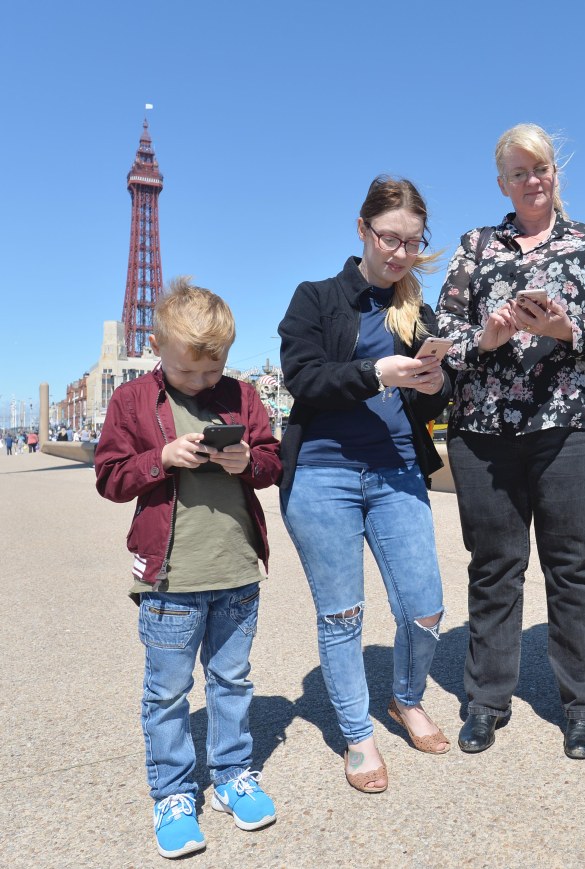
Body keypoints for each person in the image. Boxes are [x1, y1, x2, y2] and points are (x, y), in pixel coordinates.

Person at [436, 123, 585, 761]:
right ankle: (487, 701)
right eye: (519, 172)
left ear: (556, 173)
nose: (533, 180)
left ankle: (581, 705)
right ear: (502, 183)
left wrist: (565, 326)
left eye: (541, 168)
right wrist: (485, 340)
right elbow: (440, 334)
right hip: (485, 432)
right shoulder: (474, 247)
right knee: (494, 567)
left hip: (576, 427)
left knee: (573, 566)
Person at [94, 278, 282, 858]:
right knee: (167, 692)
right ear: (157, 346)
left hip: (236, 571)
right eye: (188, 371)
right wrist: (160, 459)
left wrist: (248, 461)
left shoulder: (243, 395)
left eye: (213, 369)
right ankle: (173, 791)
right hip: (170, 578)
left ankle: (231, 774)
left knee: (232, 679)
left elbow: (273, 461)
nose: (203, 382)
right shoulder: (131, 401)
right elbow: (109, 477)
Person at [278, 176, 452, 795]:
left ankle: (407, 698)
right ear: (362, 231)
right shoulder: (316, 298)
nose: (400, 253)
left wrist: (434, 384)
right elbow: (303, 377)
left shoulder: (414, 308)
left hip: (397, 468)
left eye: (412, 241)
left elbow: (443, 385)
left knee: (426, 605)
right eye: (389, 238)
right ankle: (357, 733)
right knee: (343, 615)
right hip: (323, 474)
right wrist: (376, 373)